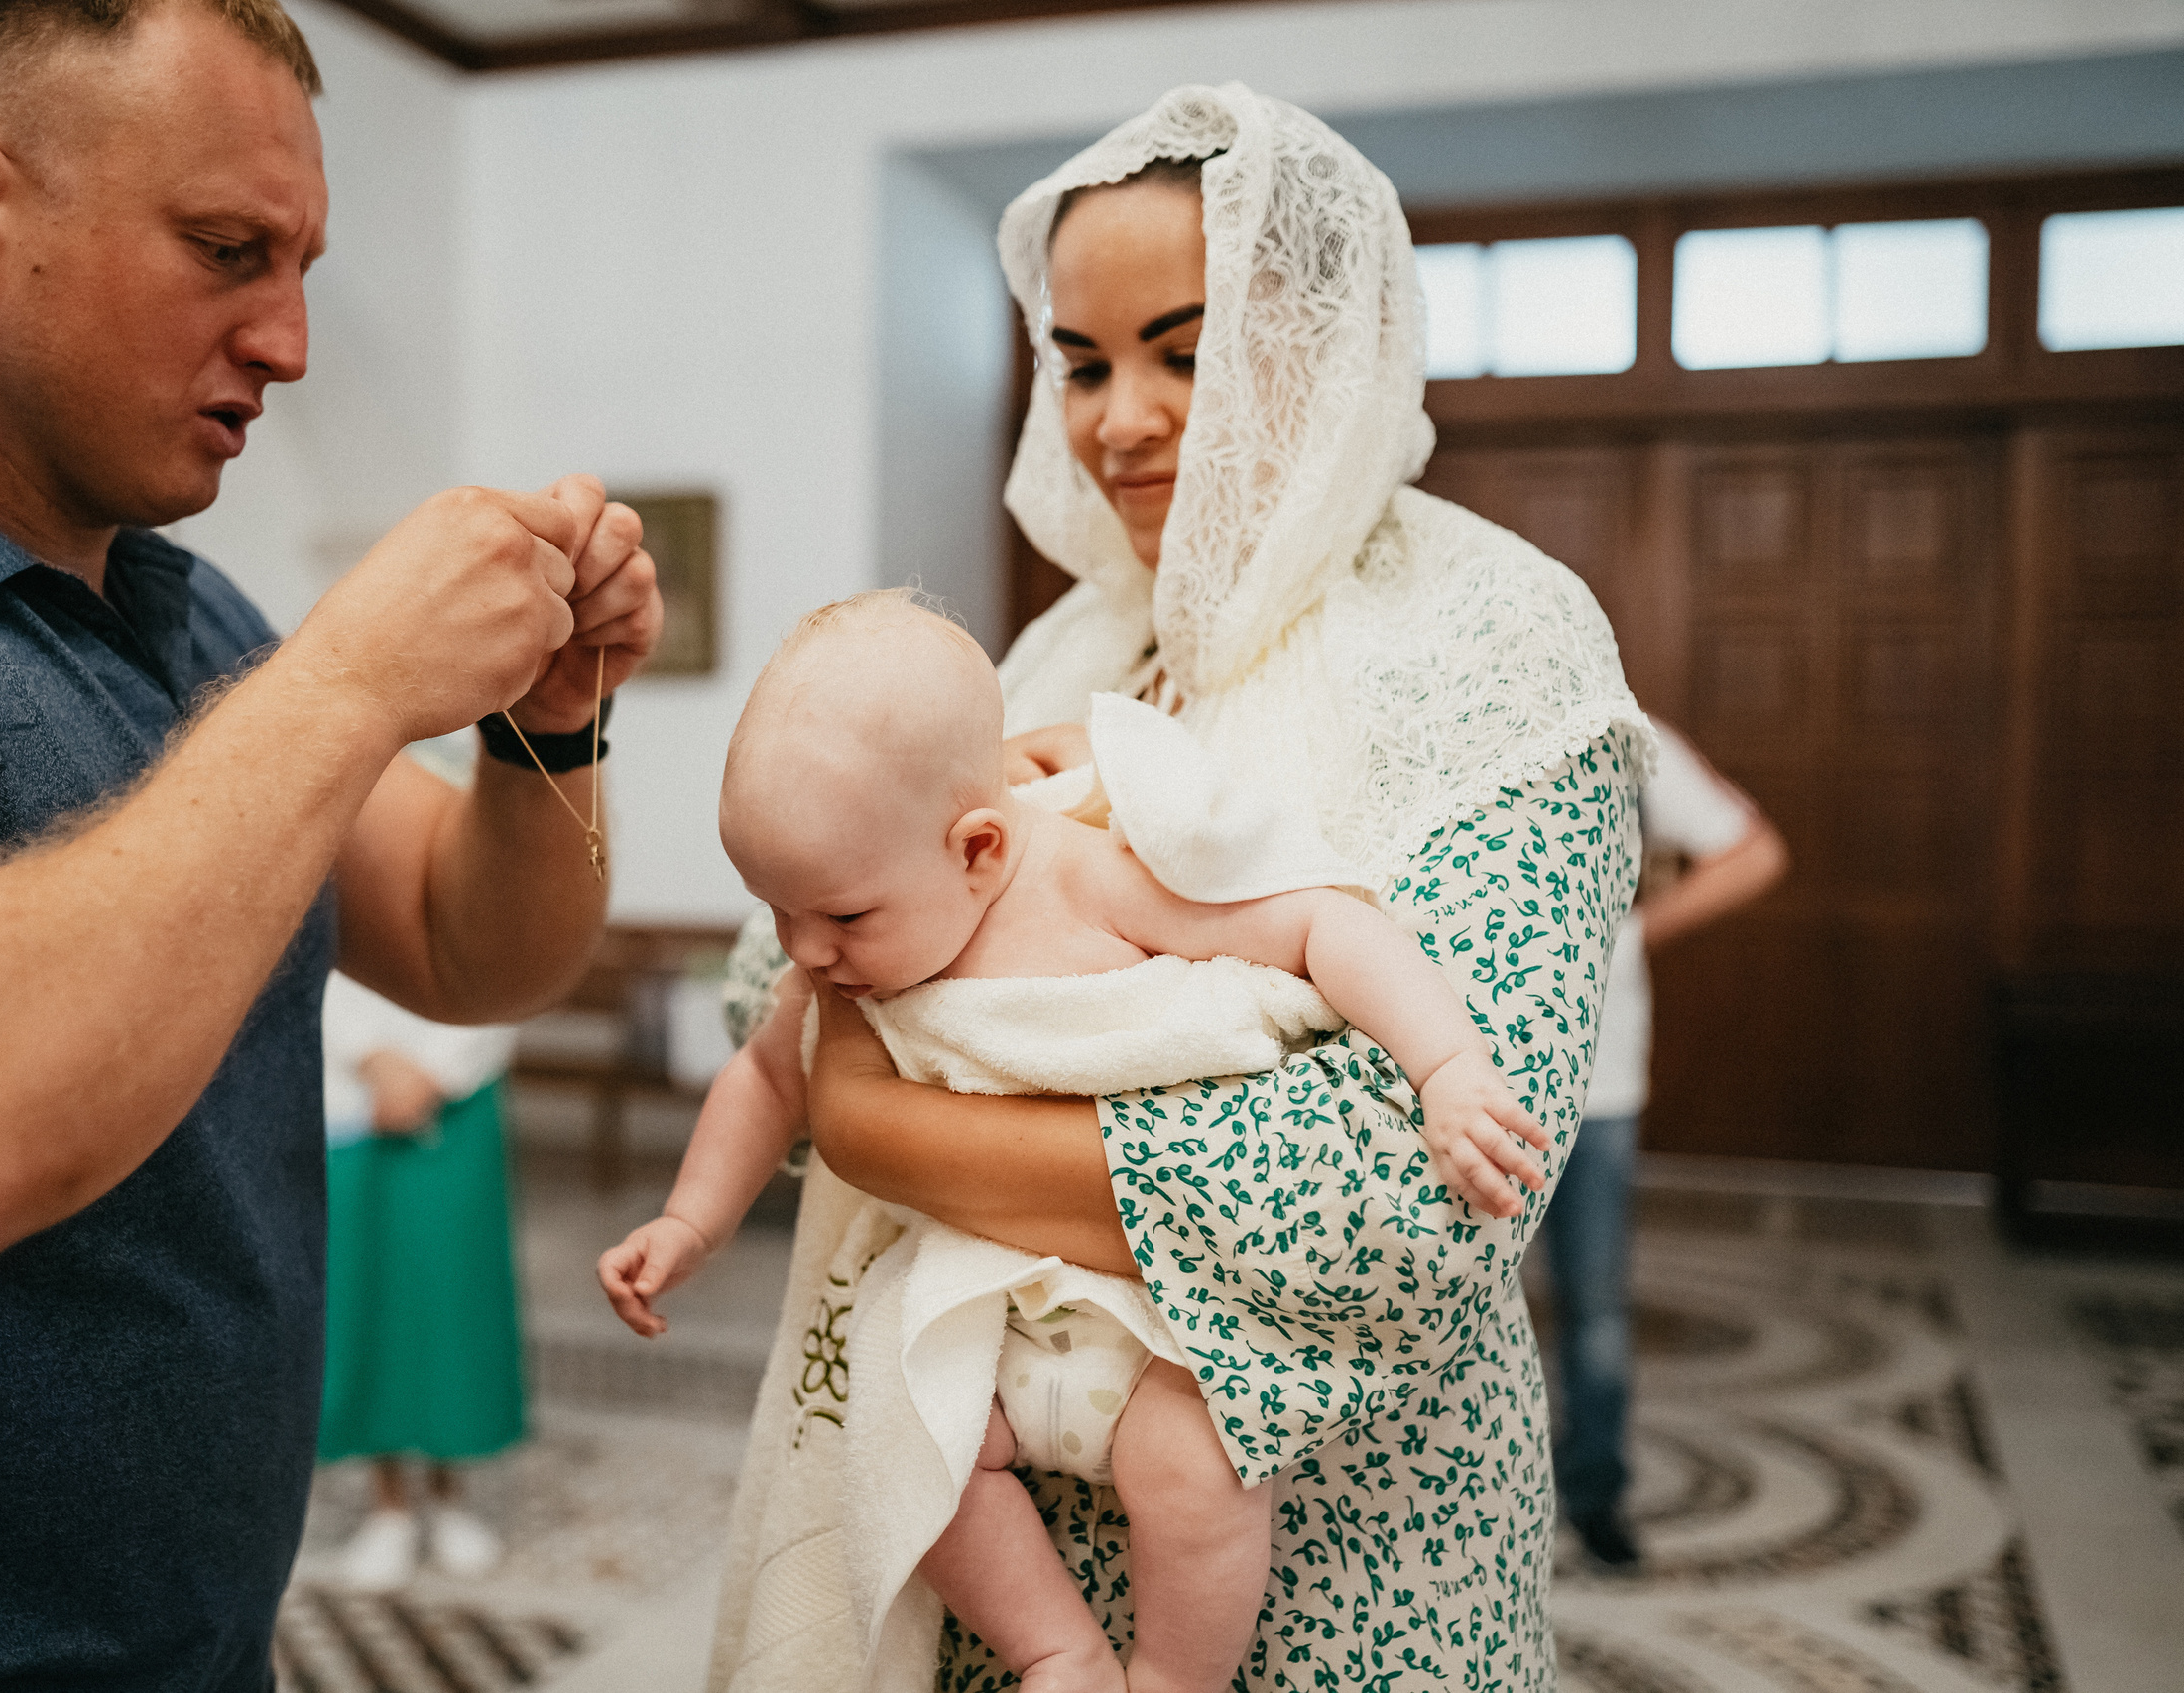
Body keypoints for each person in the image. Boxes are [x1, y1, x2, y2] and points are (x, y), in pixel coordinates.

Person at [0, 2, 660, 1684]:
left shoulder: (194, 630)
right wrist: (347, 678)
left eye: (303, 261)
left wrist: (549, 719)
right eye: (225, 249)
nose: (290, 338)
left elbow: (480, 949)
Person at [708, 86, 1647, 1693]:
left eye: (1182, 347)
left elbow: (1401, 1199)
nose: (1115, 419)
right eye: (1079, 361)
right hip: (1003, 1591)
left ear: (1321, 338)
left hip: (1346, 1587)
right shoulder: (1075, 644)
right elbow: (779, 968)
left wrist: (884, 1122)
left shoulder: (1494, 640)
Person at [600, 592, 1550, 1693]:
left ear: (979, 849)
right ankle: (1058, 1653)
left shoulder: (1087, 872)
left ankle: (1170, 1678)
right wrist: (689, 1220)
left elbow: (1316, 924)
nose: (807, 954)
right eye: (778, 914)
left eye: (844, 918)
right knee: (906, 1443)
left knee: (1196, 1467)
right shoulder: (846, 943)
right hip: (978, 1307)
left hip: (1150, 1322)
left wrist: (1446, 1070)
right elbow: (770, 1074)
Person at [1535, 717, 1787, 1573]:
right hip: (1450, 1071)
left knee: (1595, 1302)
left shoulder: (1628, 736)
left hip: (1596, 1078)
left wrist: (1635, 931)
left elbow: (1752, 850)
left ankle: (1596, 1491)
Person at [319, 971, 529, 1591]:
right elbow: (311, 951)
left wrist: (435, 1071)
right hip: (351, 1097)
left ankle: (449, 1496)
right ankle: (386, 1505)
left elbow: (503, 963)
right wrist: (370, 1058)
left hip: (455, 1096)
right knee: (366, 1297)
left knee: (450, 1300)